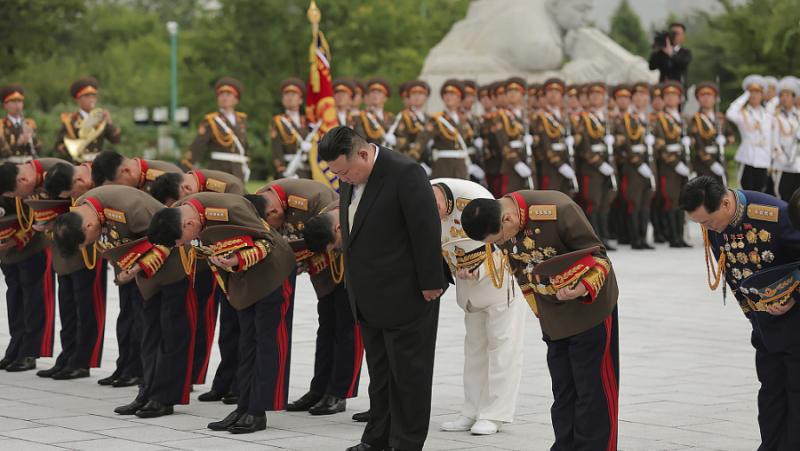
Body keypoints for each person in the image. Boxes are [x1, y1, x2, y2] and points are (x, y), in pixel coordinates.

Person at [318, 126, 448, 451]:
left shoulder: (405, 173)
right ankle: (377, 438)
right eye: (337, 175)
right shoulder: (351, 178)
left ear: (363, 153)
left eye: (345, 171)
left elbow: (425, 228)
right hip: (367, 294)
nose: (343, 179)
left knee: (409, 376)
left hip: (407, 292)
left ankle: (406, 442)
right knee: (380, 374)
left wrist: (432, 282)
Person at [461, 190, 619, 451]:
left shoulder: (557, 209)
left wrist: (582, 288)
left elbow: (600, 257)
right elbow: (520, 268)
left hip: (589, 307)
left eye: (499, 238)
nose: (501, 244)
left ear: (508, 219)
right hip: (552, 313)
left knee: (593, 391)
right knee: (563, 391)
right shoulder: (501, 222)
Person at [147, 192, 296, 434]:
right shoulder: (186, 212)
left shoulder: (227, 209)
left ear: (188, 224)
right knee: (247, 342)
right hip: (242, 277)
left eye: (181, 241)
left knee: (265, 341)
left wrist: (236, 259)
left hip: (273, 273)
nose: (184, 245)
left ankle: (257, 411)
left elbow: (265, 241)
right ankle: (243, 406)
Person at [52, 185, 194, 419]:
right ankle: (147, 391)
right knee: (147, 333)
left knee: (170, 334)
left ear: (88, 226)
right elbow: (115, 242)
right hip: (143, 273)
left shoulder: (131, 208)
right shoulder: (84, 207)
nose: (89, 244)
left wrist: (137, 267)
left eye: (86, 241)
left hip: (174, 268)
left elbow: (166, 240)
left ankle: (164, 398)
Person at [679, 176, 800, 450]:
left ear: (724, 202)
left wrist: (793, 296)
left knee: (796, 391)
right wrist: (754, 317)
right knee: (770, 392)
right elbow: (734, 273)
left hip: (795, 319)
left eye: (708, 222)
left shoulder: (774, 215)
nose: (706, 229)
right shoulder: (713, 224)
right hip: (764, 323)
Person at [251, 179, 363, 416]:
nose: (275, 228)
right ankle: (319, 389)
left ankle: (339, 392)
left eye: (274, 223)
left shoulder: (310, 198)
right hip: (321, 268)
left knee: (346, 329)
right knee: (326, 328)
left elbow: (331, 233)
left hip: (341, 265)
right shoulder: (263, 198)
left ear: (274, 210)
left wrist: (300, 258)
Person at [431, 178, 525, 436]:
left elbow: (501, 238)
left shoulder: (474, 195)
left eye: (436, 207)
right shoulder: (421, 194)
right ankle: (470, 410)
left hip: (499, 278)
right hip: (467, 286)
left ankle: (495, 414)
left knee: (502, 347)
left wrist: (479, 268)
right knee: (474, 350)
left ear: (439, 196)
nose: (435, 215)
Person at [150, 168, 245, 398]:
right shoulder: (186, 190)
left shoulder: (227, 187)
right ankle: (215, 381)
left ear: (185, 189)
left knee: (233, 325)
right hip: (199, 262)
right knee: (200, 319)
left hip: (233, 262)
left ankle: (235, 383)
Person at [613, 85, 655, 250]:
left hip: (650, 166)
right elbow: (626, 145)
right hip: (634, 168)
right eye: (636, 96)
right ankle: (635, 238)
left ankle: (644, 237)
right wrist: (638, 163)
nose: (640, 99)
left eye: (643, 95)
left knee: (646, 203)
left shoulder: (649, 119)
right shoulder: (626, 119)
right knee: (634, 202)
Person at [576, 82, 617, 250]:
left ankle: (605, 235)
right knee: (593, 202)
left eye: (599, 95)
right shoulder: (583, 118)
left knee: (605, 202)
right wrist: (599, 164)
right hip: (592, 168)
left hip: (608, 166)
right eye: (592, 95)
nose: (595, 97)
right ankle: (595, 237)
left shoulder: (607, 119)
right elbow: (584, 147)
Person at [185, 77, 250, 180]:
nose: (224, 98)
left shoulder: (241, 120)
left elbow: (244, 146)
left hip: (238, 170)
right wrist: (186, 166)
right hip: (219, 169)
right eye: (221, 94)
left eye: (228, 95)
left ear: (236, 99)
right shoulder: (211, 120)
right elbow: (197, 146)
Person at [653, 81, 692, 248]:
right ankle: (673, 236)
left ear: (680, 99)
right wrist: (675, 163)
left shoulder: (683, 119)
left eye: (674, 96)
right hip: (669, 168)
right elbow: (660, 145)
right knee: (671, 200)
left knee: (682, 201)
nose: (671, 98)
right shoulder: (659, 119)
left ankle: (680, 236)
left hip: (683, 164)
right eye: (667, 96)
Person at [417, 79, 476, 180]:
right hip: (443, 168)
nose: (448, 97)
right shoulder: (437, 120)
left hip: (461, 168)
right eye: (446, 94)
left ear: (459, 98)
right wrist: (415, 165)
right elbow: (421, 142)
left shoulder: (463, 120)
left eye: (453, 94)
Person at [54, 77, 121, 163]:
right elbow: (58, 146)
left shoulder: (100, 119)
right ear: (78, 99)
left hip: (97, 164)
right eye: (87, 96)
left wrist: (109, 122)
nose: (91, 99)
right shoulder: (70, 121)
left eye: (93, 96)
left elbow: (115, 140)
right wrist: (72, 150)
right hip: (78, 164)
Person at [726, 75, 773, 192]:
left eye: (757, 92)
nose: (754, 95)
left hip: (763, 158)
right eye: (751, 92)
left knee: (761, 193)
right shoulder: (742, 113)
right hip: (747, 156)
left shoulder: (767, 114)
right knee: (745, 191)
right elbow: (729, 113)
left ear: (762, 95)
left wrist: (771, 160)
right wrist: (744, 96)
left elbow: (769, 138)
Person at [535, 78, 576, 195]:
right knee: (549, 202)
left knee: (567, 200)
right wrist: (559, 164)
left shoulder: (565, 117)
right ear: (545, 95)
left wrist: (573, 140)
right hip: (550, 166)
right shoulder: (540, 117)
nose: (553, 95)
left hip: (567, 160)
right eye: (550, 92)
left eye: (557, 92)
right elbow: (544, 143)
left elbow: (576, 135)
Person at [689, 82, 735, 185]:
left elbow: (731, 136)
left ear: (715, 98)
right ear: (698, 99)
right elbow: (697, 144)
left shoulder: (721, 118)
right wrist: (711, 163)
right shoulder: (695, 120)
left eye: (709, 96)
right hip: (703, 164)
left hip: (720, 159)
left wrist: (725, 140)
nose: (706, 99)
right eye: (702, 96)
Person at [270, 78, 313, 179]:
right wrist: (281, 170)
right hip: (289, 169)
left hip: (308, 171)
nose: (289, 97)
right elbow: (276, 149)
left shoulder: (308, 122)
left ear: (301, 100)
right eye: (286, 94)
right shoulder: (278, 121)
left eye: (293, 95)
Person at [90, 150, 183, 194]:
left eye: (117, 187)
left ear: (126, 171)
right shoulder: (140, 181)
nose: (118, 192)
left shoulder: (166, 177)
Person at [771, 77, 800, 201]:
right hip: (782, 163)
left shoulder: (798, 116)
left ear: (794, 97)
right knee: (782, 196)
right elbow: (774, 140)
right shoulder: (774, 116)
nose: (785, 98)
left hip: (797, 164)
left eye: (788, 95)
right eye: (782, 95)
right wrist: (781, 157)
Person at [0, 84, 42, 163]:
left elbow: (39, 149)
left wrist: (32, 137)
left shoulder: (29, 123)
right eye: (13, 101)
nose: (17, 105)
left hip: (29, 164)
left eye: (19, 101)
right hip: (9, 167)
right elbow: (2, 153)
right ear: (5, 105)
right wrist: (18, 143)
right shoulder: (1, 125)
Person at [353, 78, 394, 147]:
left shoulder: (391, 117)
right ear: (368, 96)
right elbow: (361, 141)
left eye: (379, 93)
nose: (375, 95)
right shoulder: (360, 117)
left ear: (385, 98)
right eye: (373, 92)